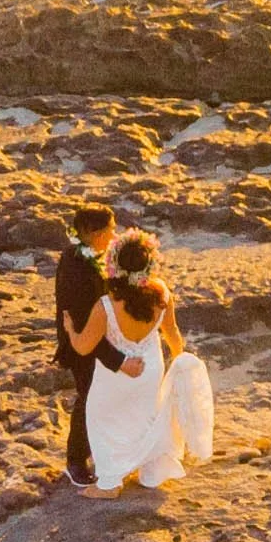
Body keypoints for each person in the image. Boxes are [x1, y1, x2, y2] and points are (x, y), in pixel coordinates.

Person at [64, 229, 215, 493]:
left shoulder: (106, 305)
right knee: (144, 418)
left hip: (115, 375)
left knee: (103, 420)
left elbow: (84, 347)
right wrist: (178, 359)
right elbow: (173, 333)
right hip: (150, 369)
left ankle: (109, 483)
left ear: (115, 265)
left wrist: (70, 330)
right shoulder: (162, 294)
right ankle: (150, 471)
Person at [54, 202, 141, 490]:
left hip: (98, 338)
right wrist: (118, 360)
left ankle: (104, 451)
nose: (113, 235)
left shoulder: (91, 256)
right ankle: (76, 460)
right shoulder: (76, 268)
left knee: (104, 397)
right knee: (89, 397)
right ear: (92, 232)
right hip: (82, 346)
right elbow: (84, 326)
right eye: (109, 230)